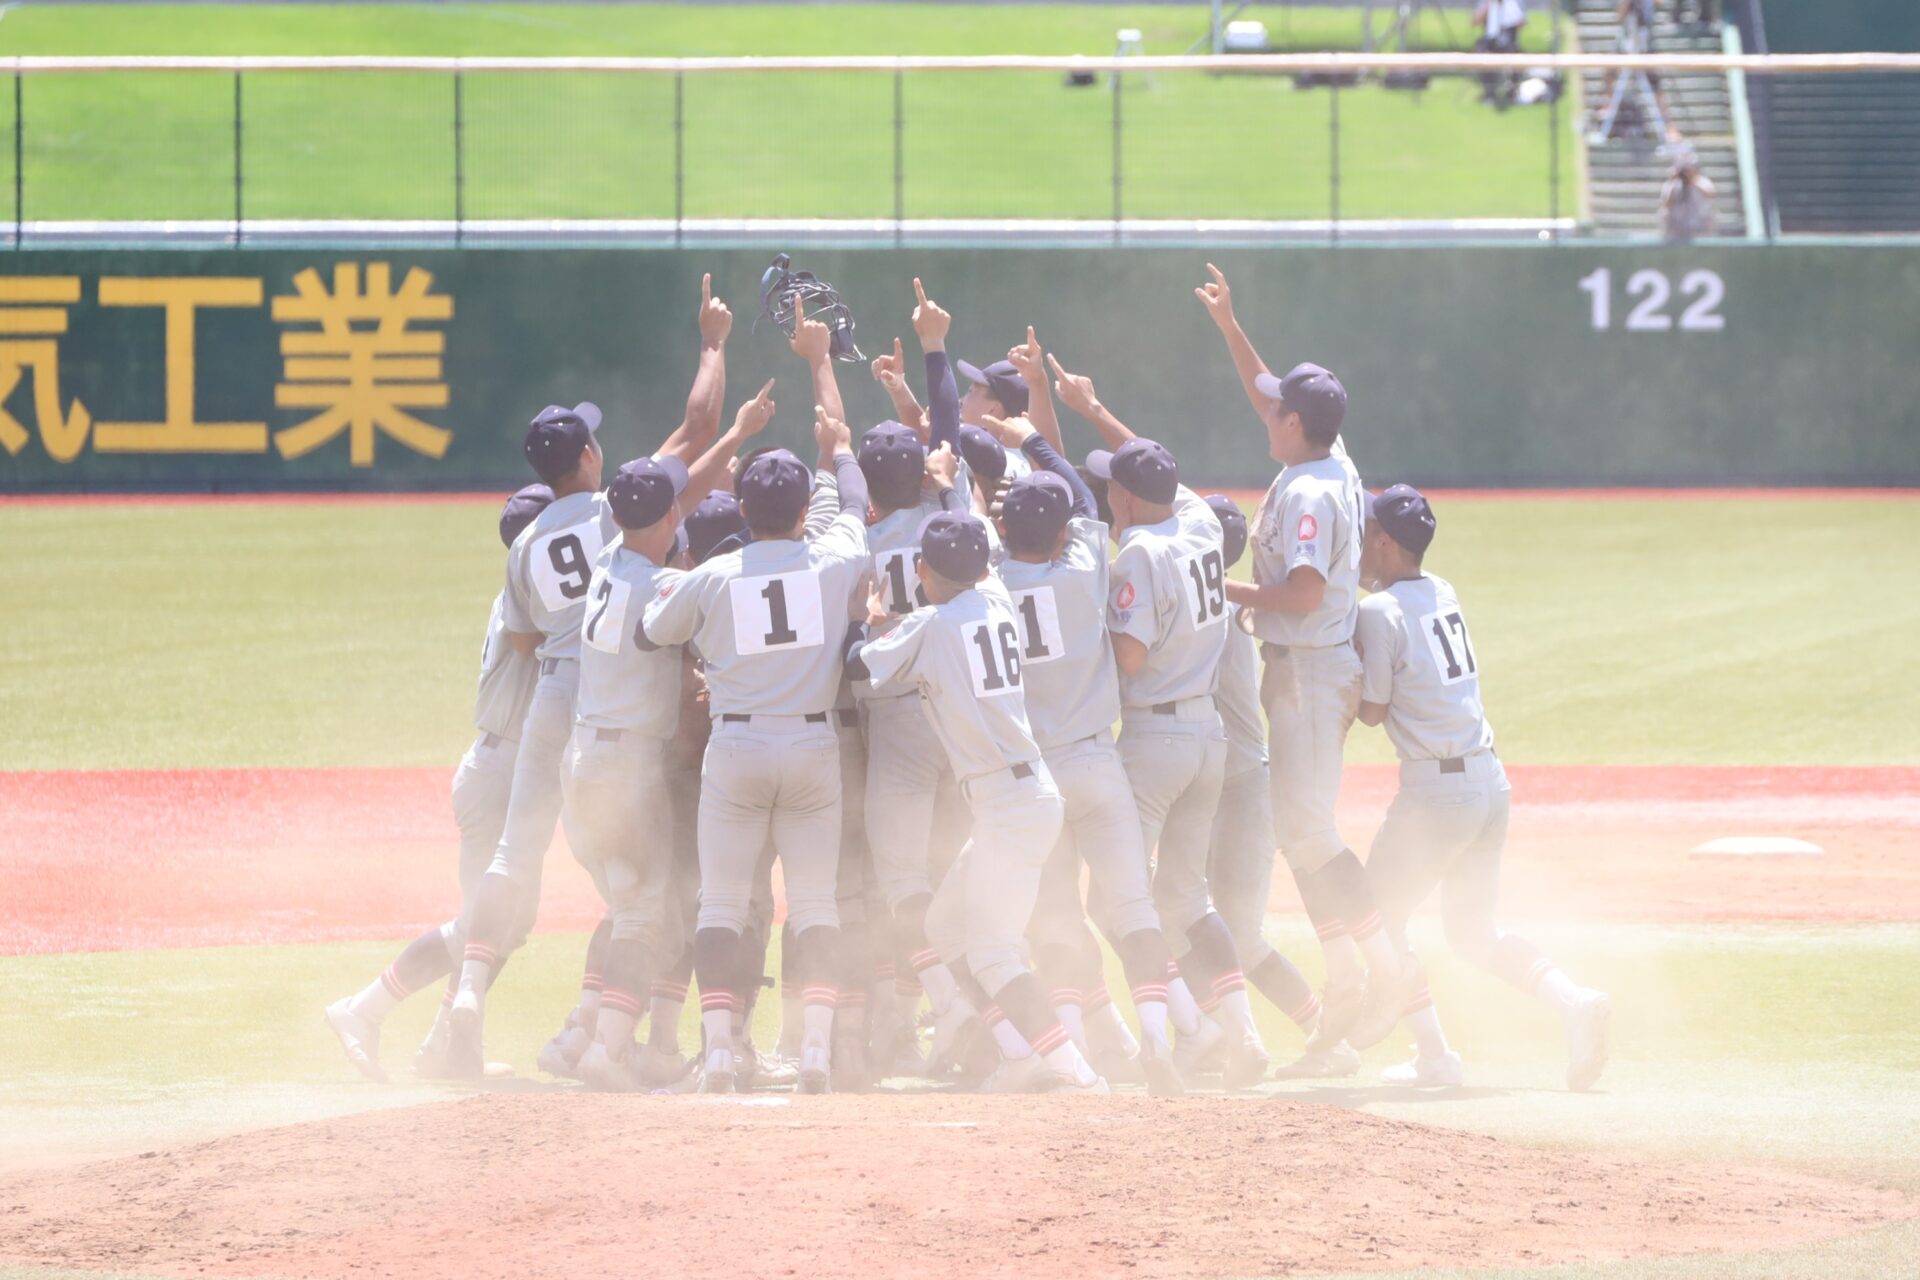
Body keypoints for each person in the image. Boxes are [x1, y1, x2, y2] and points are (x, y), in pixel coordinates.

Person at [446, 278, 735, 1076]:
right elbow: (700, 427)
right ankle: (609, 1036)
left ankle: (470, 994)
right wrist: (712, 343)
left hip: (554, 698)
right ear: (586, 458)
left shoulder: (522, 544)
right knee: (639, 888)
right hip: (610, 698)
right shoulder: (617, 513)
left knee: (514, 853)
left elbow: (528, 641)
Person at [1194, 263, 1417, 1064]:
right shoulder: (1321, 453)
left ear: (1297, 423)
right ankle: (1352, 968)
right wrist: (1229, 324)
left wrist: (1220, 588)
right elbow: (1265, 390)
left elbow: (1301, 591)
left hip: (1312, 671)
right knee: (1300, 832)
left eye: (1276, 408)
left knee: (1312, 833)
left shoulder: (1316, 495)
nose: (1267, 411)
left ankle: (1385, 967)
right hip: (1303, 667)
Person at [1047, 353, 1270, 1087]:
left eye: (1112, 482)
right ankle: (1243, 1032)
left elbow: (1132, 659)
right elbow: (1154, 469)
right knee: (1184, 896)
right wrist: (1095, 408)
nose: (1105, 489)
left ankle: (1189, 1032)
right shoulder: (1200, 520)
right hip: (1211, 737)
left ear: (1128, 497)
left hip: (1156, 740)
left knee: (1116, 901)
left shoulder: (1139, 552)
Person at [639, 406, 871, 1095]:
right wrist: (842, 447)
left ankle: (715, 1056)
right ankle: (818, 1057)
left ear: (742, 508)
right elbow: (855, 504)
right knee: (817, 905)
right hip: (811, 743)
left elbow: (654, 632)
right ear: (805, 510)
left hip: (736, 743)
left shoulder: (715, 575)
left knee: (720, 905)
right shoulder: (831, 559)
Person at [1352, 485, 1613, 1092]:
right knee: (1472, 933)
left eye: (1366, 532)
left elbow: (1371, 711)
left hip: (1437, 795)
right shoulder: (1442, 588)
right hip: (1489, 783)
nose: (1359, 541)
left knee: (1373, 914)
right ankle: (1574, 1003)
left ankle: (1434, 1053)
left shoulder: (1378, 613)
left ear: (1385, 542)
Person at [849, 512, 1106, 1095]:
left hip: (1009, 805)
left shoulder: (933, 626)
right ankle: (1018, 1056)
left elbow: (860, 665)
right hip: (1017, 796)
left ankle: (1073, 1070)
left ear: (923, 570)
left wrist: (869, 623)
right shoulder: (995, 596)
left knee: (993, 954)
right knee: (945, 927)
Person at [982, 408, 1193, 1096]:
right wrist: (1033, 440)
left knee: (1056, 916)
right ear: (1068, 531)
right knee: (1134, 908)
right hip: (1097, 764)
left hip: (1035, 776)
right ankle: (1159, 1038)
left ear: (1004, 528)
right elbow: (1074, 491)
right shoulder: (1082, 569)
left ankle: (1068, 1048)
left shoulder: (990, 589)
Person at [322, 483, 552, 1082]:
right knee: (484, 923)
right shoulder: (529, 604)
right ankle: (364, 1009)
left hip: (500, 767)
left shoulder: (527, 596)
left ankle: (445, 1048)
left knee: (502, 926)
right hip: (502, 770)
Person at [1200, 494, 1351, 1078]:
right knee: (1190, 921)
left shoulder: (1212, 611)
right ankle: (1213, 1035)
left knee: (1237, 934)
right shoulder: (1225, 605)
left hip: (1240, 790)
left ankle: (1324, 1036)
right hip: (1218, 787)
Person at [1473, 0, 1527, 107]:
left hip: (1509, 39)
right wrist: (1489, 5)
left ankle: (1513, 92)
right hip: (1490, 40)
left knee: (1517, 55)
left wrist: (1511, 8)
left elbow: (1521, 23)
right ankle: (1489, 93)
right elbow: (1476, 21)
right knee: (1482, 52)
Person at [1661, 147, 1719, 241]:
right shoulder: (1672, 184)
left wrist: (1692, 180)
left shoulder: (1701, 181)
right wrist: (1673, 181)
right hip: (1677, 227)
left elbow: (1711, 194)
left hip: (1700, 225)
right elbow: (1666, 204)